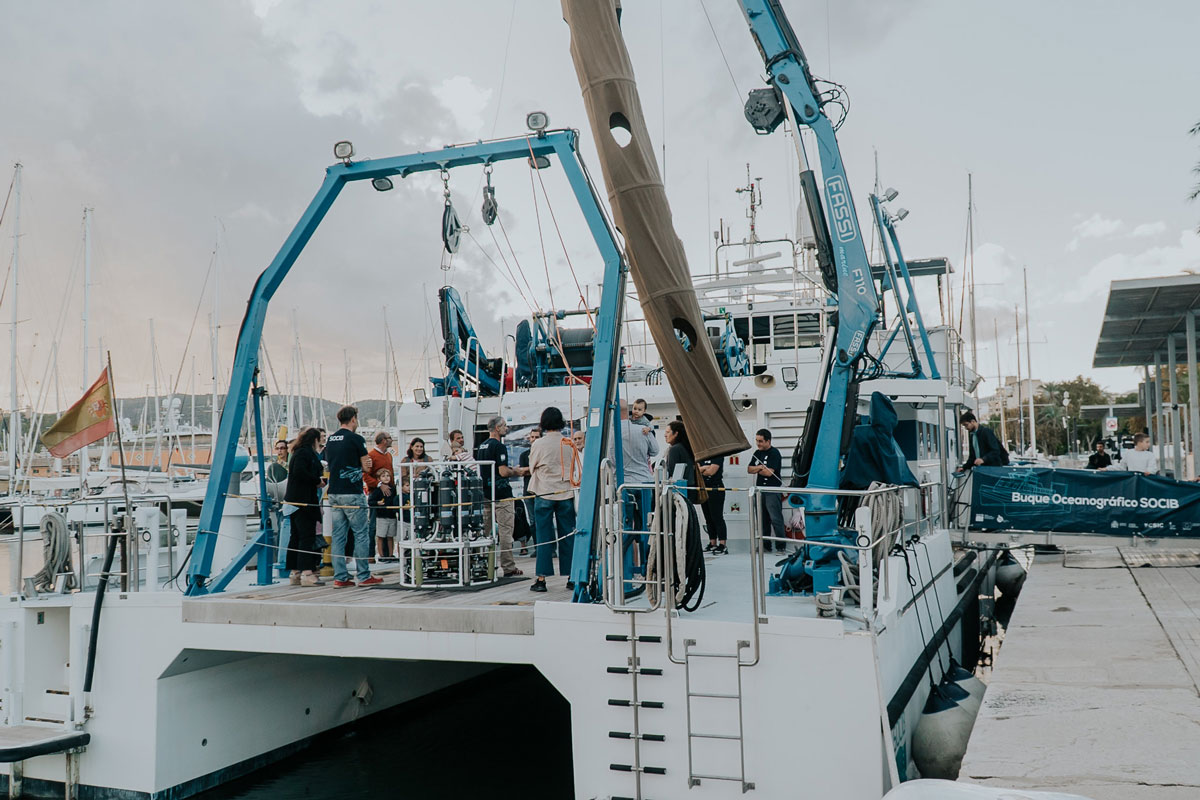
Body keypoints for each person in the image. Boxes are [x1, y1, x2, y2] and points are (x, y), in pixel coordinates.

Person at [324, 405, 382, 588]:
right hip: (352, 493)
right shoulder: (356, 439)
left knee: (339, 536)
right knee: (361, 534)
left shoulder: (331, 439)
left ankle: (340, 576)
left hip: (334, 492)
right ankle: (364, 575)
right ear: (354, 419)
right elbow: (366, 466)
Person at [528, 407, 577, 593]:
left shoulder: (538, 444)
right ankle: (572, 577)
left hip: (544, 492)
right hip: (565, 493)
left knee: (544, 537)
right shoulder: (569, 442)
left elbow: (532, 467)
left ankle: (541, 579)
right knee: (568, 535)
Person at [476, 416, 523, 578]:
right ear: (497, 428)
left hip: (485, 493)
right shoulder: (499, 446)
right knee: (505, 531)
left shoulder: (481, 446)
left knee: (484, 531)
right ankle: (508, 566)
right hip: (501, 494)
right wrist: (516, 471)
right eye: (504, 426)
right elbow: (502, 472)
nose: (506, 428)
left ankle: (480, 564)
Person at [609, 397, 660, 532]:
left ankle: (630, 550)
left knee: (625, 526)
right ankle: (648, 550)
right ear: (629, 411)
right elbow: (655, 451)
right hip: (644, 482)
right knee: (647, 523)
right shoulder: (643, 430)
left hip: (622, 485)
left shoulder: (609, 434)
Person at [283, 427, 325, 586]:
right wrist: (316, 481)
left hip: (294, 500)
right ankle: (307, 572)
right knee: (306, 536)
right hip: (304, 501)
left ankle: (295, 572)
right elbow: (301, 472)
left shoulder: (297, 452)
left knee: (295, 536)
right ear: (314, 439)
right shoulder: (306, 453)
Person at [748, 428, 786, 553]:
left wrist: (758, 469)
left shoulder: (774, 453)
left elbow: (769, 473)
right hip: (760, 491)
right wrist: (759, 467)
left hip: (772, 490)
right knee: (762, 519)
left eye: (761, 441)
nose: (758, 444)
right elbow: (749, 469)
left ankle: (781, 546)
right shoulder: (757, 453)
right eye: (757, 441)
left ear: (768, 441)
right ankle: (765, 545)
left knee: (775, 519)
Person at [363, 432, 395, 560]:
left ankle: (387, 555)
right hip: (377, 496)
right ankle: (371, 554)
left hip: (389, 497)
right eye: (389, 438)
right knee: (373, 527)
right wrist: (379, 484)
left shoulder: (388, 455)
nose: (391, 440)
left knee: (388, 527)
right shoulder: (371, 455)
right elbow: (365, 476)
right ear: (383, 441)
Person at [517, 428, 540, 556]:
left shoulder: (543, 453)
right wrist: (534, 468)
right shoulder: (524, 455)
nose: (534, 439)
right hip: (528, 491)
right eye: (533, 437)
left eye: (537, 437)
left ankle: (549, 549)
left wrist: (529, 469)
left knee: (543, 520)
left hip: (542, 490)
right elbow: (521, 471)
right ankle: (537, 548)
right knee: (533, 521)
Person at [368, 468, 400, 559]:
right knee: (381, 536)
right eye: (383, 476)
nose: (386, 478)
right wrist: (377, 503)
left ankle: (390, 555)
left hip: (392, 516)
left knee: (391, 537)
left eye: (388, 476)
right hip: (381, 516)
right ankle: (381, 555)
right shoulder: (377, 490)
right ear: (379, 479)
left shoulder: (393, 489)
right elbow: (370, 502)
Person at [699, 453, 727, 554]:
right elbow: (696, 470)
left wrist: (703, 469)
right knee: (708, 517)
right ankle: (712, 543)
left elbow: (712, 471)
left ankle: (723, 544)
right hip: (704, 488)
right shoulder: (702, 455)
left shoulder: (717, 455)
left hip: (716, 488)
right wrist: (703, 468)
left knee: (717, 517)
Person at [664, 420, 698, 503]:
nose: (665, 435)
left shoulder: (674, 449)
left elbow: (671, 471)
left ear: (676, 433)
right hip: (691, 487)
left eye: (668, 432)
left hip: (679, 489)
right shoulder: (687, 447)